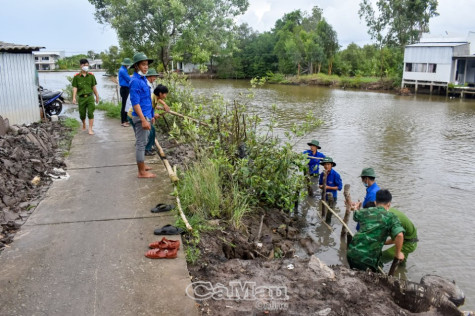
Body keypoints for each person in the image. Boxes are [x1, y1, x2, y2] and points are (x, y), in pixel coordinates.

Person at [347, 189, 405, 272]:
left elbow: (356, 215)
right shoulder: (391, 217)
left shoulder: (366, 211)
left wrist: (356, 208)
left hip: (351, 253)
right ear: (389, 204)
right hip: (367, 259)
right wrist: (398, 253)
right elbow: (399, 235)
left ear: (375, 202)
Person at [129, 52, 156, 178]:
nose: (146, 67)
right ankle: (141, 172)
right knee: (141, 143)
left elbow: (148, 100)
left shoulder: (143, 79)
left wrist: (152, 115)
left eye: (147, 65)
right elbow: (136, 103)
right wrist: (144, 120)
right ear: (136, 66)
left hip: (147, 115)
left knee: (144, 141)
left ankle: (142, 165)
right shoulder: (135, 81)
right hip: (141, 117)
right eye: (143, 64)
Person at [72, 59, 99, 135]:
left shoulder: (91, 76)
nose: (86, 67)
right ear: (81, 66)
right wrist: (74, 98)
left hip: (90, 97)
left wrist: (97, 96)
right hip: (81, 98)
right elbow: (75, 88)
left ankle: (90, 129)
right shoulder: (76, 77)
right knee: (82, 114)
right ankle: (84, 123)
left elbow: (94, 87)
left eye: (87, 65)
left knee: (91, 113)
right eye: (84, 65)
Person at [118, 57, 133, 127]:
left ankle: (126, 119)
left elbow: (127, 77)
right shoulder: (123, 70)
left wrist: (131, 76)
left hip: (125, 88)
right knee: (124, 105)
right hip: (124, 89)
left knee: (127, 104)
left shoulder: (124, 69)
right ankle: (123, 121)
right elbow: (128, 79)